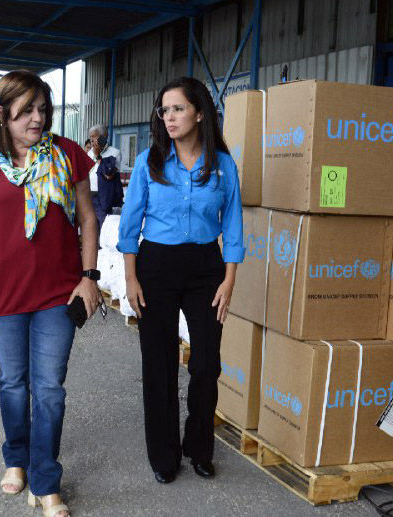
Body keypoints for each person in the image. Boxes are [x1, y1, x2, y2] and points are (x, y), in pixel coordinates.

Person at [0, 70, 99, 517]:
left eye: (43, 110)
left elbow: (88, 219)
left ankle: (45, 478)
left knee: (49, 388)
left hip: (58, 293)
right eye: (26, 111)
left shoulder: (68, 155)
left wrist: (89, 276)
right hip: (2, 294)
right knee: (13, 384)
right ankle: (16, 457)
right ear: (3, 113)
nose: (37, 119)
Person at [117, 77, 244, 484]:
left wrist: (229, 280)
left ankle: (199, 446)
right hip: (156, 265)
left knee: (207, 363)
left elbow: (235, 226)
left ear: (200, 113)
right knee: (159, 364)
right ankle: (164, 456)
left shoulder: (222, 165)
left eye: (178, 109)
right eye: (164, 110)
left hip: (207, 267)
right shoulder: (149, 162)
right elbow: (129, 225)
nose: (169, 117)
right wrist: (131, 279)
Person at [87, 124, 122, 228]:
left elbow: (109, 175)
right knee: (91, 228)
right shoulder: (90, 153)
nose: (92, 140)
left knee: (104, 228)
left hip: (104, 198)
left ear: (104, 136)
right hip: (90, 196)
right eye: (90, 137)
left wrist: (98, 155)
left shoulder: (115, 153)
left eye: (94, 136)